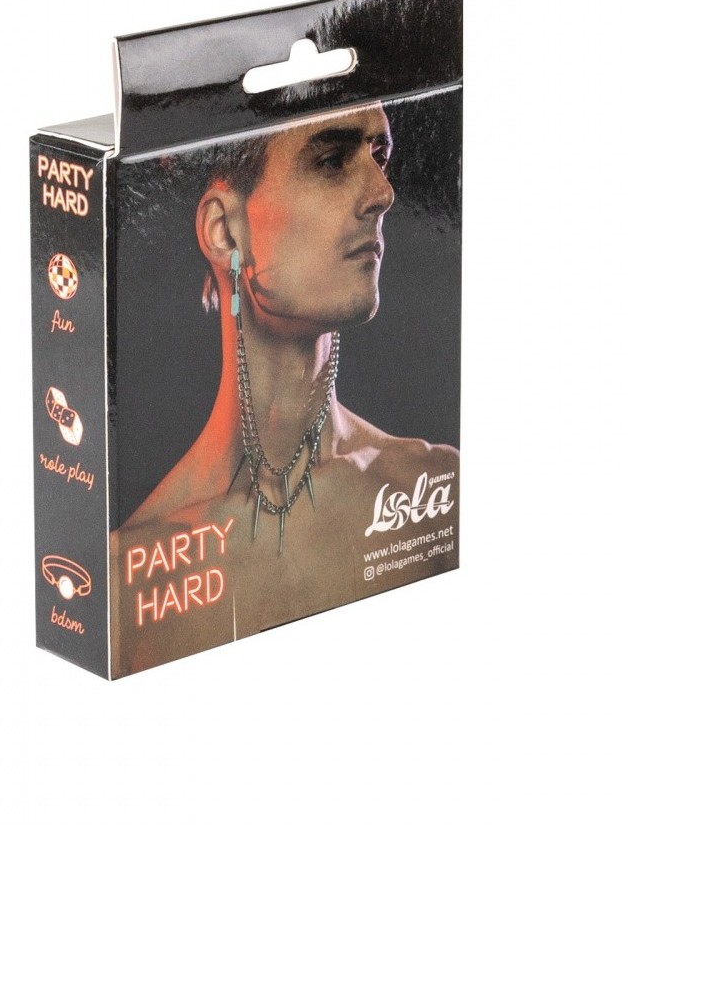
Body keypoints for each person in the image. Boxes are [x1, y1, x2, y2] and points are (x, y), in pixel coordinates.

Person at [110, 98, 459, 674]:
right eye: (331, 160)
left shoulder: (432, 495)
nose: (383, 193)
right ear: (225, 231)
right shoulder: (128, 586)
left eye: (379, 156)